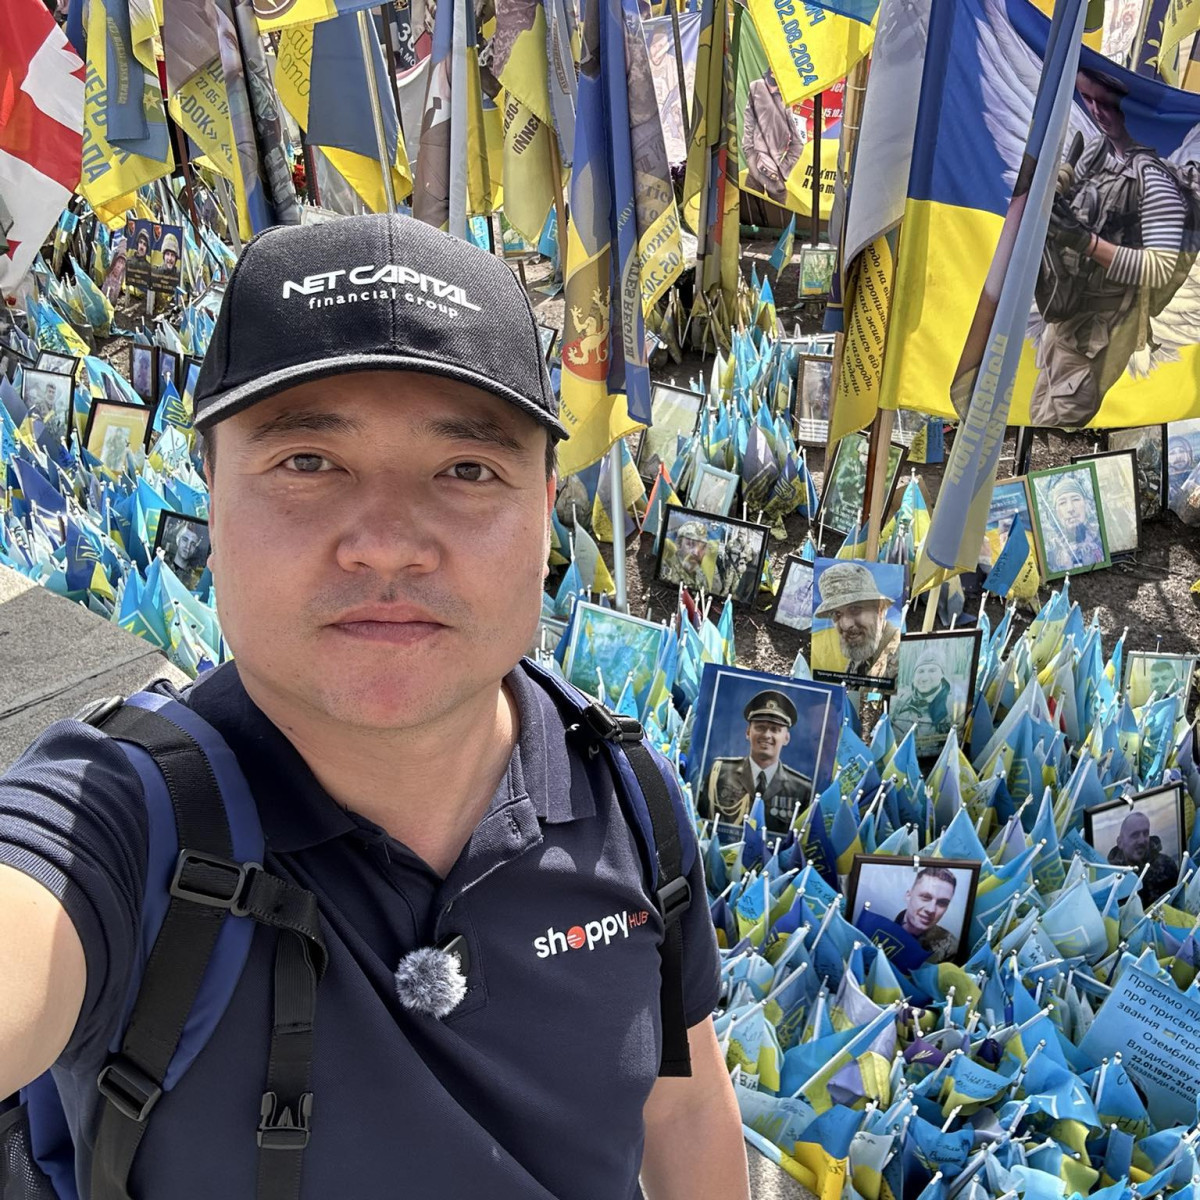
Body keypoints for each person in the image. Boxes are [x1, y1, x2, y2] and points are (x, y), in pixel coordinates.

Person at [0, 214, 746, 1199]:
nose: (388, 542)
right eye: (308, 461)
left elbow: (682, 1106)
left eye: (467, 470)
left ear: (543, 510)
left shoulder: (630, 798)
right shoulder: (117, 824)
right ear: (210, 491)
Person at [1031, 69, 1192, 428]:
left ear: (1130, 109)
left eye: (1105, 103)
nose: (1094, 110)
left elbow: (1159, 268)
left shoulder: (1155, 181)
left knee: (1059, 425)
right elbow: (1075, 197)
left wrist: (1086, 242)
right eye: (1088, 99)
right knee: (1036, 418)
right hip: (1065, 317)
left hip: (1099, 335)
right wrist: (1060, 184)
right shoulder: (1098, 151)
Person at [704, 689, 813, 832]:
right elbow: (700, 821)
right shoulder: (720, 773)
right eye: (760, 727)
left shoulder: (801, 789)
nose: (767, 735)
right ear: (748, 732)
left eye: (775, 729)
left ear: (786, 738)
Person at [811, 561, 901, 684]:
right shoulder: (861, 654)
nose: (845, 625)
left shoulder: (902, 659)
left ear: (880, 609)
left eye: (855, 609)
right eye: (837, 614)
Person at [742, 69, 803, 206]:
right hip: (756, 162)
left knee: (779, 210)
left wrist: (782, 170)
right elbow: (749, 119)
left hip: (774, 168)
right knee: (749, 208)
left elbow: (798, 144)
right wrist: (749, 151)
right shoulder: (757, 87)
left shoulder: (787, 102)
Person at [891, 651, 963, 753]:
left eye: (932, 671)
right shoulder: (898, 703)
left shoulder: (954, 707)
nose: (924, 678)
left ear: (942, 674)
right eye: (920, 671)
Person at [1106, 810, 1178, 902]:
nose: (1141, 841)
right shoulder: (1110, 879)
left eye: (1145, 833)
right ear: (1120, 842)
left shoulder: (1167, 865)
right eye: (1135, 835)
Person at [1039, 475, 1105, 572]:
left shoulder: (1100, 537)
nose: (1070, 509)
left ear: (1086, 503)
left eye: (1075, 499)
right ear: (1055, 512)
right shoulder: (1051, 551)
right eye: (1062, 503)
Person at [892, 866, 958, 964]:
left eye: (942, 903)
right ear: (908, 896)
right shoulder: (876, 927)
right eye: (925, 897)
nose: (931, 910)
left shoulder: (949, 946)